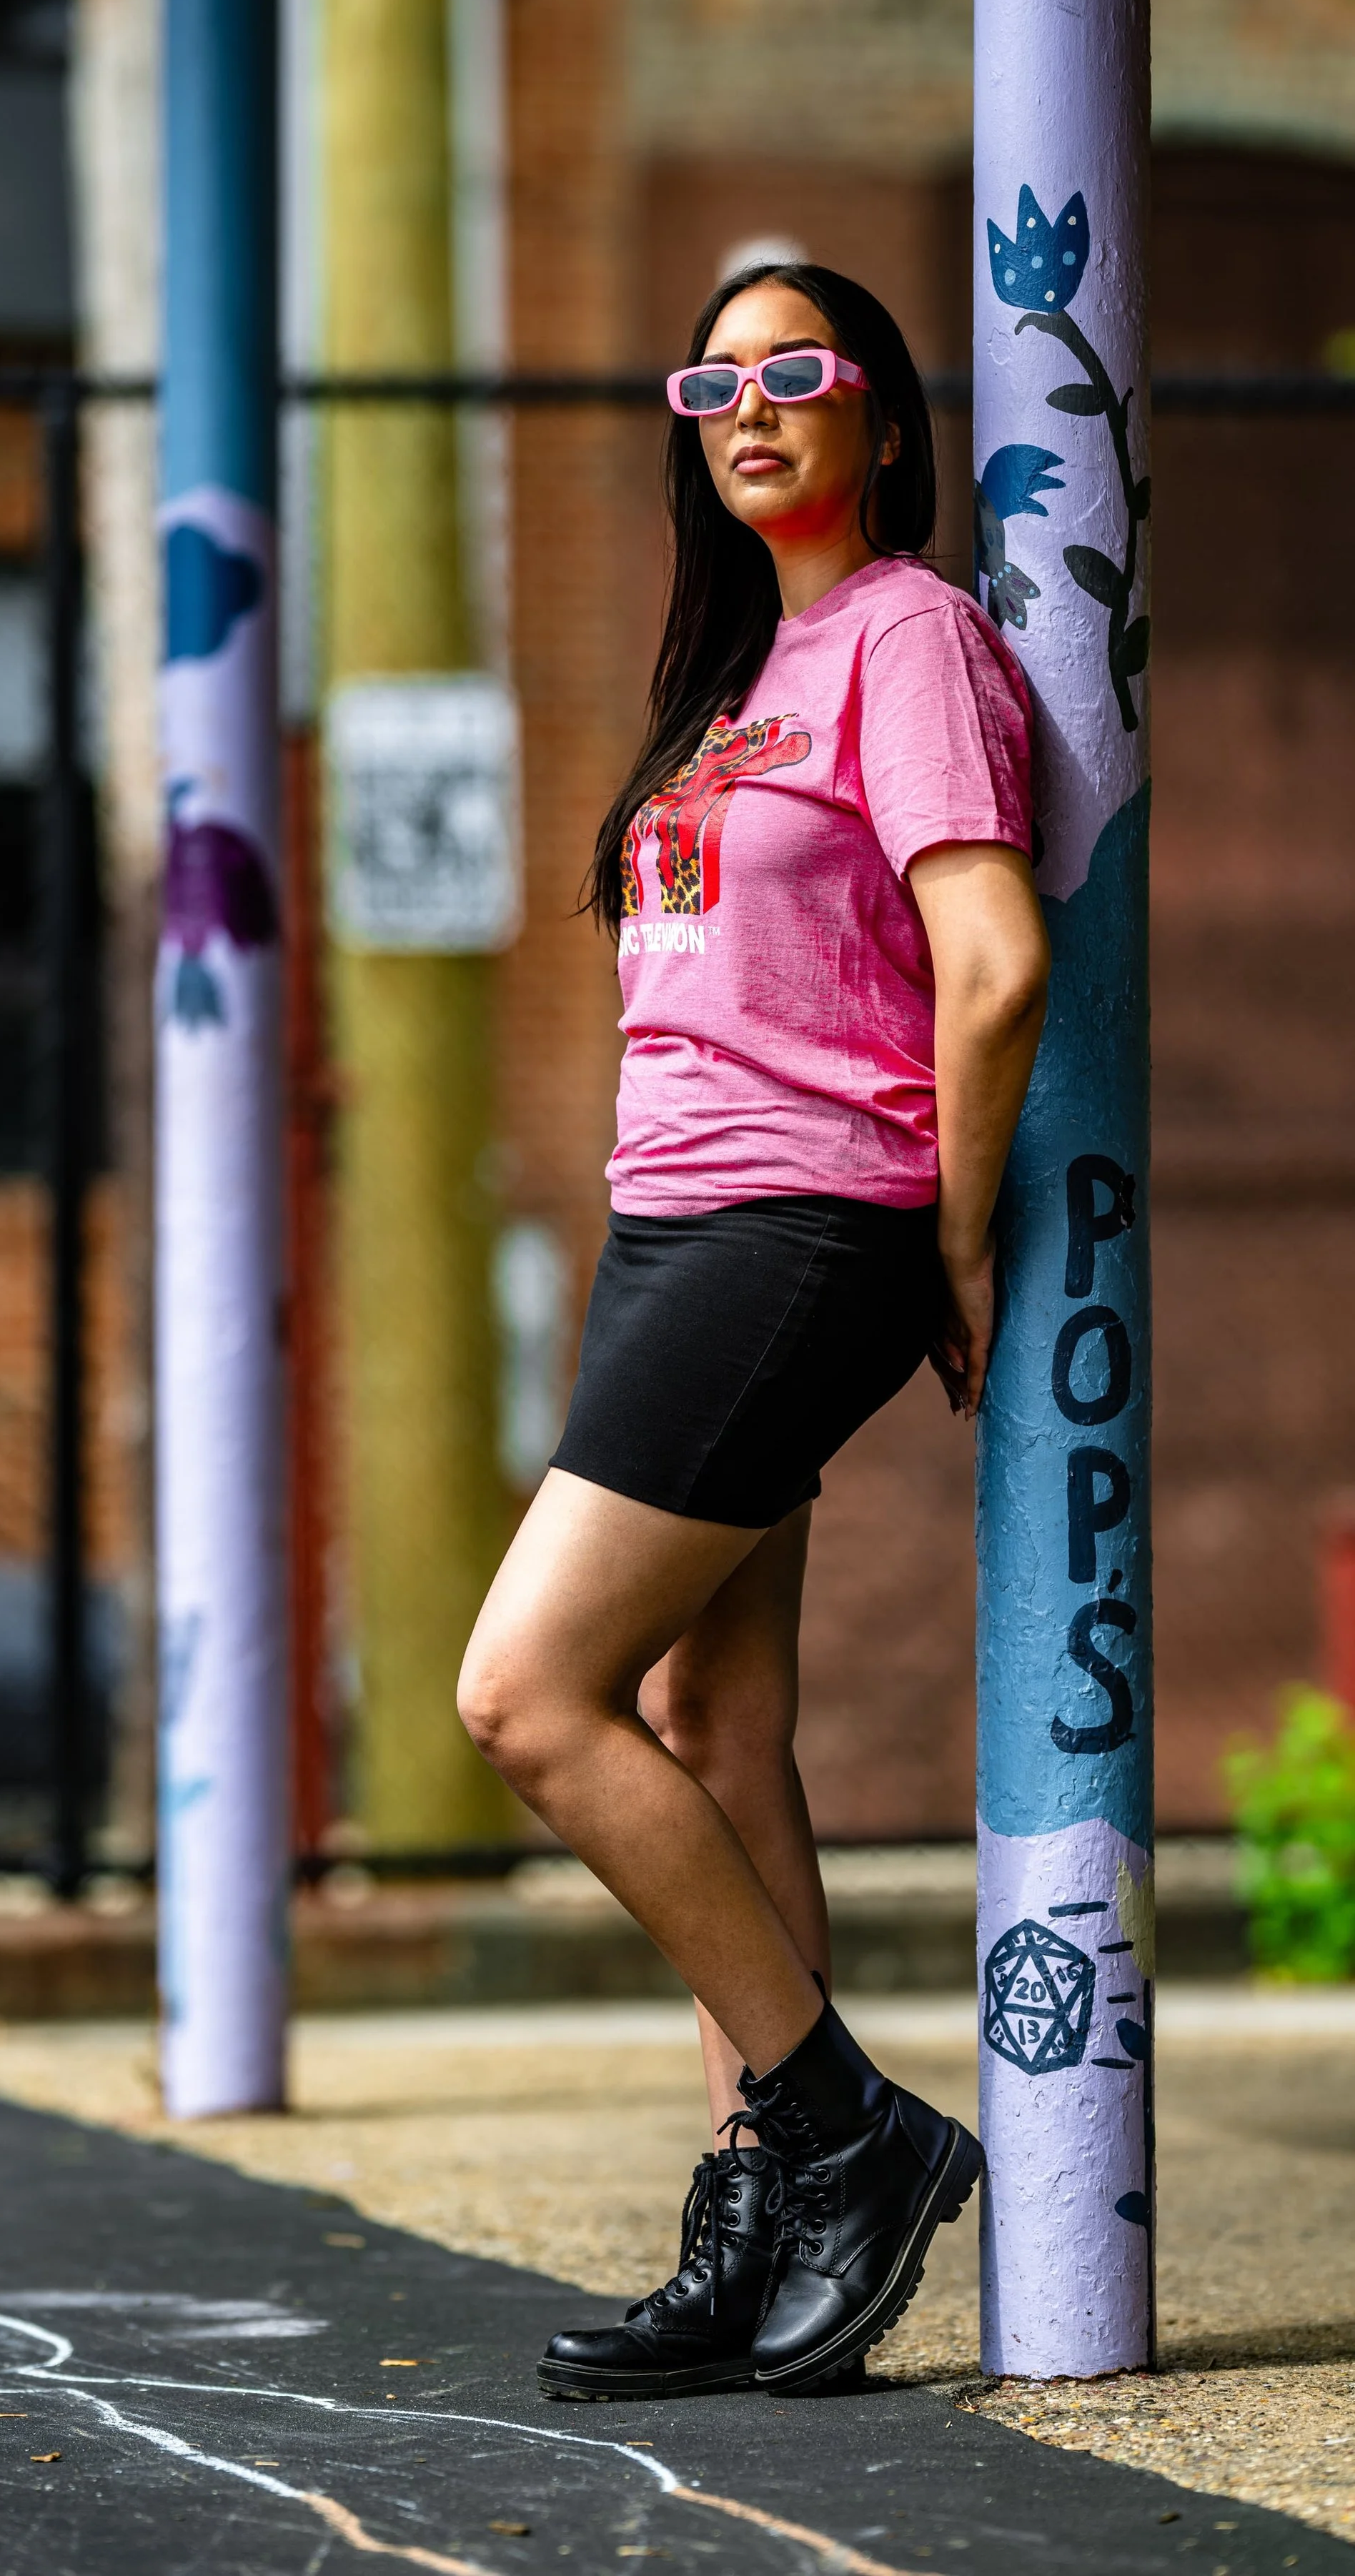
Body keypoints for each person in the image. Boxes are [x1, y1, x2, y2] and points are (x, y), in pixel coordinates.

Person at [457, 263, 1049, 2401]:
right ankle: (763, 2215)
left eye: (799, 372)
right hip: (677, 1229)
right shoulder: (739, 670)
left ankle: (838, 2127)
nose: (750, 407)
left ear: (880, 418)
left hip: (803, 1226)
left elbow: (987, 960)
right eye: (714, 379)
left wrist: (957, 1237)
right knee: (715, 1715)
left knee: (526, 1691)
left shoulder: (905, 635)